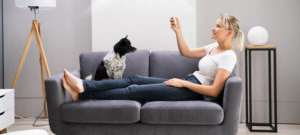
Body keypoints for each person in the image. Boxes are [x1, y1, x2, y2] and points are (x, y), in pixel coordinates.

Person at [63, 13, 244, 102]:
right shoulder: (213, 47)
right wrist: (178, 32)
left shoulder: (228, 56)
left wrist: (183, 83)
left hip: (193, 92)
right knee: (135, 79)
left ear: (229, 33)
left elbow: (213, 91)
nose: (213, 28)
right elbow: (186, 52)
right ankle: (84, 86)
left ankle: (84, 93)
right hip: (188, 82)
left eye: (218, 26)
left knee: (134, 90)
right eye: (215, 25)